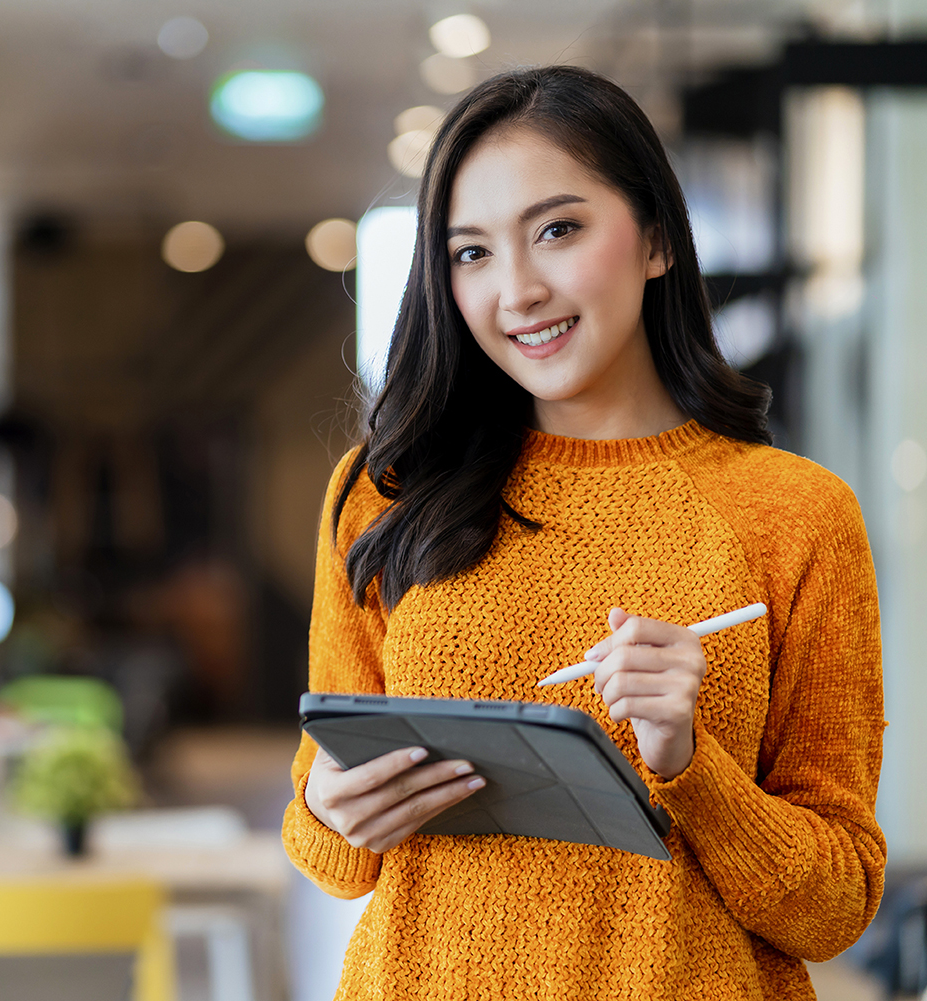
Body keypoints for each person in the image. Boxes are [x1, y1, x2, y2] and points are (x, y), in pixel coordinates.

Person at [282, 65, 886, 999]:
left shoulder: (794, 511)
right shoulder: (385, 494)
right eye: (470, 252)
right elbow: (331, 854)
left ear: (654, 237)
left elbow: (835, 907)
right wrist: (327, 807)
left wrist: (689, 764)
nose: (517, 290)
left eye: (557, 230)